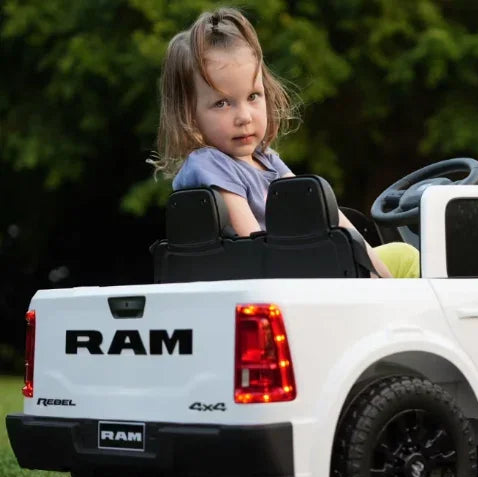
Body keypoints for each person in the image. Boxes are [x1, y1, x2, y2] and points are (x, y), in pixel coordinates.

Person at [149, 7, 419, 279]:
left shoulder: (267, 160)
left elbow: (330, 216)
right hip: (275, 276)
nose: (243, 117)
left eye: (253, 96)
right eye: (222, 103)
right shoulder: (209, 163)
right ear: (188, 114)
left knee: (405, 256)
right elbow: (254, 249)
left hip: (300, 266)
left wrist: (380, 277)